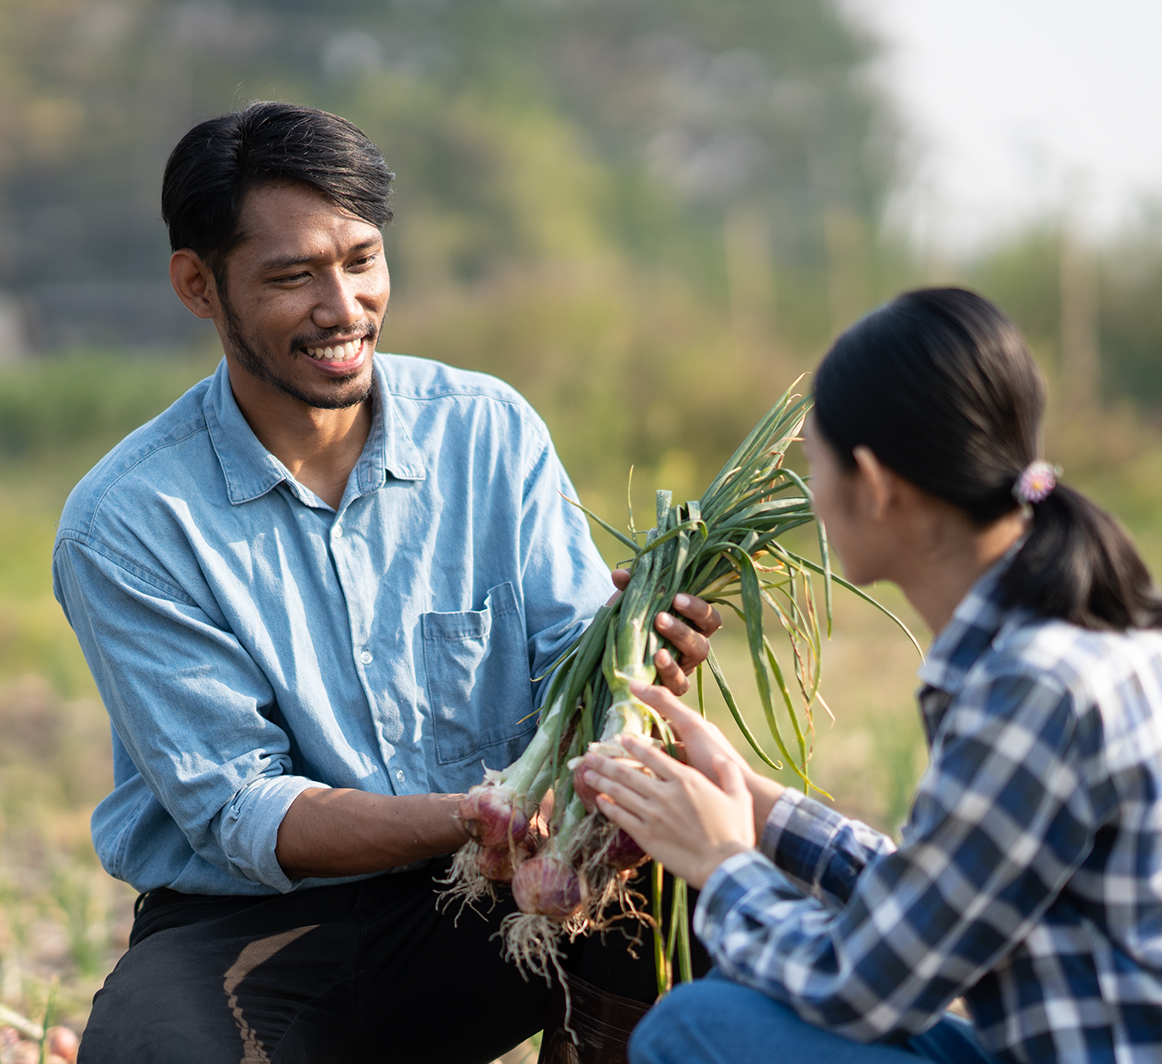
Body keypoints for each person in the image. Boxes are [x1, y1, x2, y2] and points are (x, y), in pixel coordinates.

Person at [51, 102, 721, 1063]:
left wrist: (627, 671)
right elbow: (246, 812)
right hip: (255, 929)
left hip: (497, 892)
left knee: (691, 881)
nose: (343, 307)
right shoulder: (130, 522)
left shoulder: (487, 431)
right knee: (156, 1051)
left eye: (361, 261)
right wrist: (467, 815)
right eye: (292, 277)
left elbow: (567, 696)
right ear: (199, 287)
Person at [579, 288, 1162, 1063]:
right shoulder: (1082, 638)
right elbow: (940, 898)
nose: (812, 497)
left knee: (696, 1027)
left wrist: (723, 865)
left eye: (815, 466)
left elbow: (857, 984)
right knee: (740, 1007)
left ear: (877, 484)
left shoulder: (1035, 689)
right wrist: (757, 804)